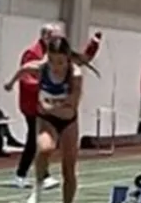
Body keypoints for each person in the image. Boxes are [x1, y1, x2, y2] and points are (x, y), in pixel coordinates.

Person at [4, 37, 99, 203]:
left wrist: (49, 107)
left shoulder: (75, 74)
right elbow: (24, 69)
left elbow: (72, 105)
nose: (56, 67)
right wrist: (11, 83)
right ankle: (38, 186)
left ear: (68, 59)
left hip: (68, 120)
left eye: (61, 62)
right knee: (45, 148)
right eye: (52, 61)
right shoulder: (41, 68)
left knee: (68, 170)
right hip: (47, 120)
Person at [12, 25, 101, 189]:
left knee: (46, 140)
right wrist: (46, 87)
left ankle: (40, 174)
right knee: (35, 139)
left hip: (52, 105)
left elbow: (81, 60)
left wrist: (93, 45)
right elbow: (27, 76)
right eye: (55, 36)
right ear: (46, 36)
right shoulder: (33, 53)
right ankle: (22, 174)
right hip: (34, 104)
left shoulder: (58, 53)